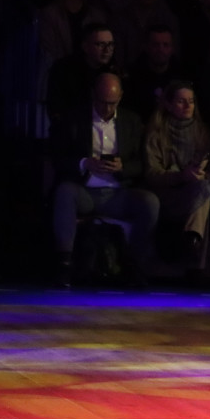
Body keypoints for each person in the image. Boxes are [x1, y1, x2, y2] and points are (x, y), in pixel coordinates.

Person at [50, 72, 159, 287]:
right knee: (64, 192)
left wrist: (122, 167)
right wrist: (85, 163)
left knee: (150, 201)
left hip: (118, 191)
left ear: (120, 98)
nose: (107, 109)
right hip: (85, 190)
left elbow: (141, 164)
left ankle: (134, 264)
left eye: (112, 103)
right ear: (93, 95)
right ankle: (64, 264)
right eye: (102, 102)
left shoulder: (131, 121)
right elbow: (58, 158)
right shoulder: (75, 119)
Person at [144, 81, 210, 276]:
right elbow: (152, 174)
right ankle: (194, 256)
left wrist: (201, 172)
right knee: (203, 194)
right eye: (181, 101)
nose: (187, 106)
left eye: (191, 101)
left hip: (195, 189)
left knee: (204, 189)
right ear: (168, 104)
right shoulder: (157, 132)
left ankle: (192, 240)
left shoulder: (202, 132)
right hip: (167, 193)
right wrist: (180, 176)